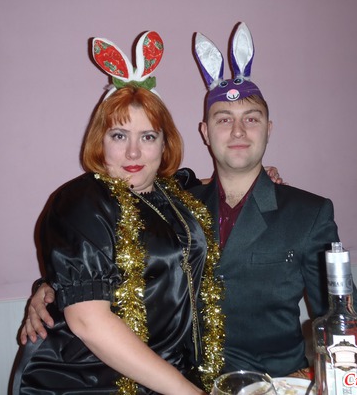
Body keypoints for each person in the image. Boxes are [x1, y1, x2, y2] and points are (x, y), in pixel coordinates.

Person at [21, 23, 357, 378]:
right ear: (205, 132)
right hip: (183, 380)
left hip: (273, 383)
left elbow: (342, 320)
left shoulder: (308, 213)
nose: (238, 131)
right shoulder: (178, 203)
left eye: (251, 119)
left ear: (268, 129)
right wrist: (50, 288)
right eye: (224, 120)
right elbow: (98, 254)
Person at [11, 31, 225, 395]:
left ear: (165, 143)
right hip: (86, 383)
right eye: (119, 135)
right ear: (100, 140)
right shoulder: (80, 202)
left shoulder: (173, 195)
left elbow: (207, 184)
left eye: (148, 137)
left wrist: (261, 176)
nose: (133, 153)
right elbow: (89, 323)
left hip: (167, 378)